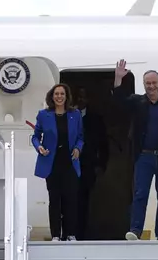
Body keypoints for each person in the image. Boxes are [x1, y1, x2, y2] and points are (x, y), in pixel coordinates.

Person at [112, 59, 158, 240]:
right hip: (144, 156)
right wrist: (118, 79)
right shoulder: (137, 102)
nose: (151, 86)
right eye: (147, 83)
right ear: (144, 85)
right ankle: (135, 231)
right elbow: (118, 101)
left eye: (154, 83)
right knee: (140, 194)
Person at [31, 83, 84, 241]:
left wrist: (78, 148)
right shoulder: (43, 115)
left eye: (62, 94)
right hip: (52, 162)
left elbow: (81, 137)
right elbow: (35, 136)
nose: (59, 97)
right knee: (54, 199)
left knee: (71, 199)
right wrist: (39, 147)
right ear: (52, 96)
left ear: (66, 96)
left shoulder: (75, 115)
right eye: (56, 94)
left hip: (70, 162)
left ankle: (70, 234)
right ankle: (55, 234)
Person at [74, 87, 109, 240]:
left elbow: (104, 144)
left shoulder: (96, 119)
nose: (80, 100)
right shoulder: (66, 116)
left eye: (83, 97)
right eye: (78, 97)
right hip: (67, 165)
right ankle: (67, 233)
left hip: (88, 165)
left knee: (84, 201)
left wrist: (102, 165)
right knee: (67, 199)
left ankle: (81, 234)